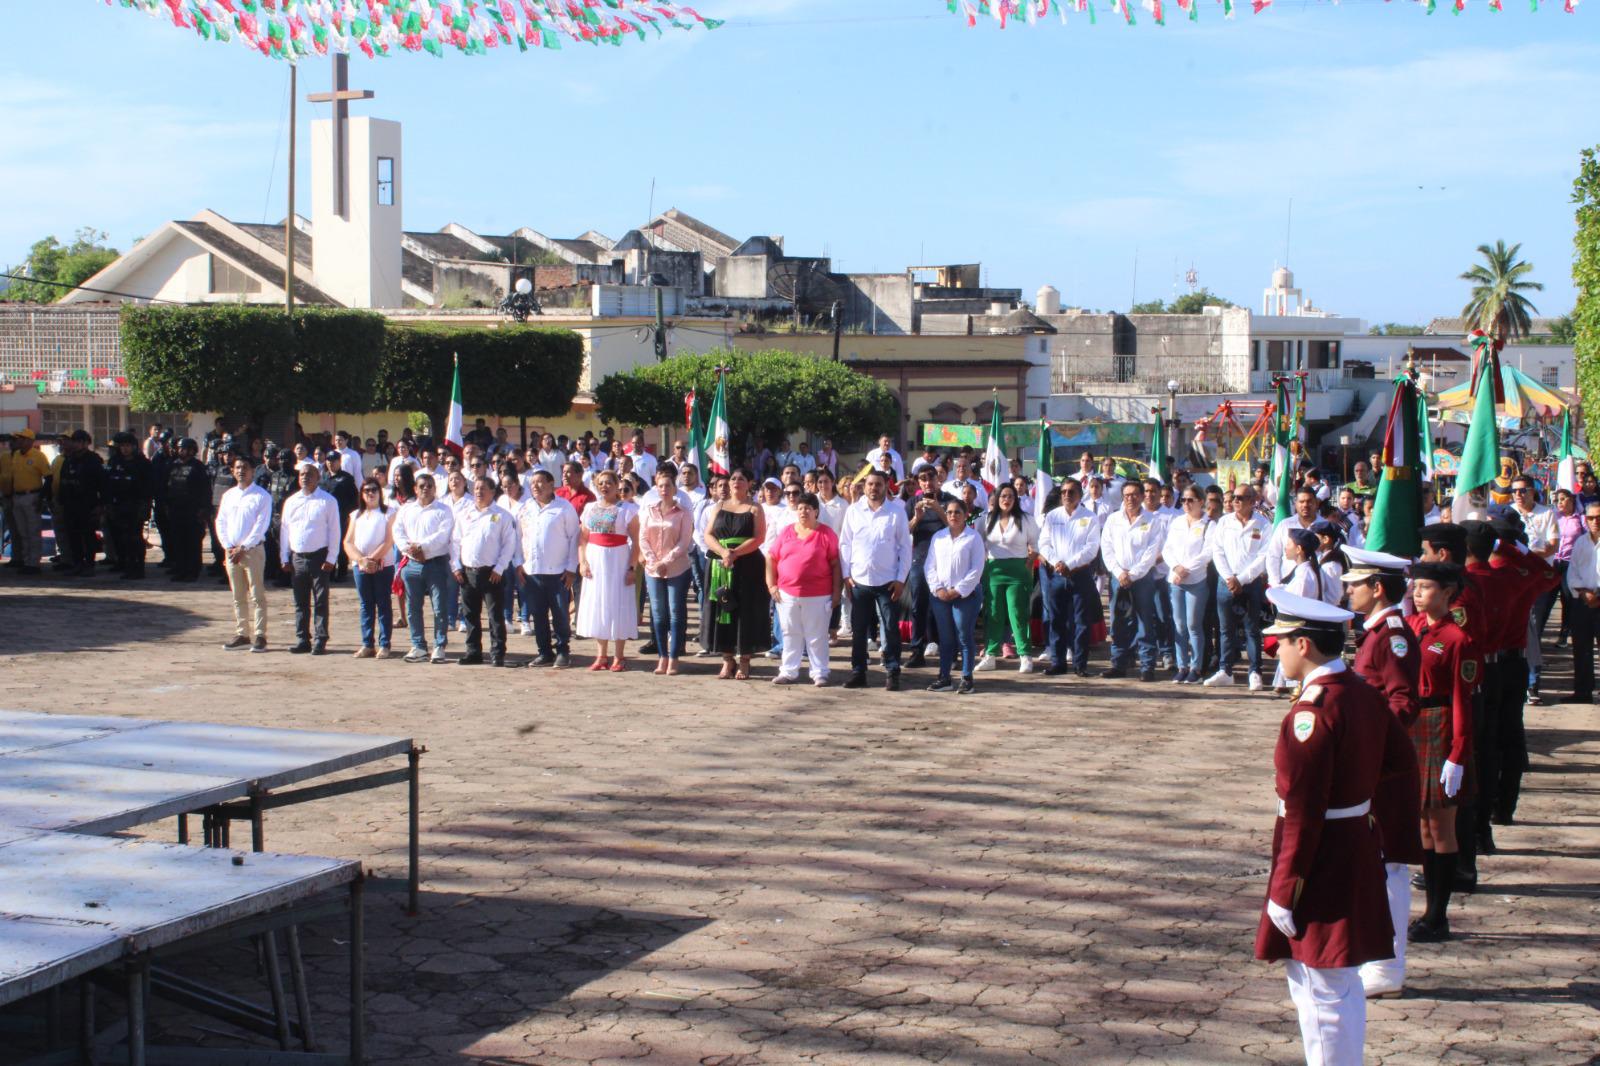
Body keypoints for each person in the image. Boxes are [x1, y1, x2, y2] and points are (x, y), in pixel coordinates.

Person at [1255, 588, 1413, 1066]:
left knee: (1320, 982)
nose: (1275, 650)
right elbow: (1399, 759)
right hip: (1354, 839)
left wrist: (1284, 888)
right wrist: (1355, 792)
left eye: (1281, 641)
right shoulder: (1360, 692)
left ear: (1304, 645)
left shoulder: (1313, 712)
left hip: (1320, 857)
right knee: (1335, 981)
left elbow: (1302, 810)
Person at [1340, 547, 1424, 999]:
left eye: (1355, 584)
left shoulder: (1392, 633)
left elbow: (1402, 700)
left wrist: (1372, 749)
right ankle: (1377, 956)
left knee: (1390, 866)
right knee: (1375, 863)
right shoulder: (1375, 631)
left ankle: (1389, 965)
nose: (1347, 590)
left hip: (1384, 770)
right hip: (1373, 764)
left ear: (1376, 589)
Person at [1405, 562, 1479, 945]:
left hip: (1440, 726)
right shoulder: (1413, 628)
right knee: (1422, 825)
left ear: (1448, 592)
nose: (1418, 594)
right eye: (1415, 587)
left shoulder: (1457, 639)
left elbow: (1462, 700)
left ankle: (1438, 915)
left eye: (1426, 588)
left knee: (1442, 826)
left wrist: (1458, 752)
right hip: (1414, 724)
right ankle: (1428, 911)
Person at [839, 469, 913, 691]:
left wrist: (901, 579)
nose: (873, 488)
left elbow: (905, 547)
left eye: (878, 484)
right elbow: (845, 544)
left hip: (887, 581)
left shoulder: (896, 512)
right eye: (870, 484)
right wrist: (845, 575)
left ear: (886, 486)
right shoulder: (853, 511)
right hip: (859, 581)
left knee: (890, 628)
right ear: (864, 486)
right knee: (859, 629)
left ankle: (892, 671)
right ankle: (858, 672)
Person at [766, 491, 842, 686]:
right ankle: (789, 671)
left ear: (816, 511)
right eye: (800, 508)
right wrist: (771, 584)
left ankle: (819, 672)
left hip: (818, 594)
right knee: (790, 633)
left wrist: (836, 593)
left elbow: (835, 564)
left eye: (807, 508)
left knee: (816, 635)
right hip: (787, 593)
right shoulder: (787, 532)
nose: (803, 512)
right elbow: (772, 557)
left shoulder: (826, 534)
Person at [704, 469, 771, 680]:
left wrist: (735, 553)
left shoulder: (755, 507)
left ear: (749, 483)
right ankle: (727, 659)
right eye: (733, 478)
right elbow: (708, 534)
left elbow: (759, 537)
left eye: (741, 479)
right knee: (722, 609)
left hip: (748, 565)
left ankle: (744, 660)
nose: (736, 482)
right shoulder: (719, 506)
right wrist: (723, 552)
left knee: (746, 612)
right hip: (720, 564)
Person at [1206, 485, 1271, 691]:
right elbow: (1217, 551)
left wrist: (1241, 579)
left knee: (1252, 629)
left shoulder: (1263, 523)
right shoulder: (1224, 522)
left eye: (1241, 498)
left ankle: (1255, 671)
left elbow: (1264, 555)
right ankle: (1226, 670)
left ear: (1253, 500)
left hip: (1250, 584)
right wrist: (1228, 577)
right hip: (1226, 582)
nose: (1236, 501)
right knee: (1225, 629)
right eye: (1234, 497)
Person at [575, 470, 641, 671]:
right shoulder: (589, 508)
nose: (605, 486)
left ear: (616, 485)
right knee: (598, 604)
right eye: (601, 483)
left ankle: (618, 656)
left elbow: (636, 542)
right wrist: (583, 562)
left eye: (609, 483)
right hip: (595, 561)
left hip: (618, 560)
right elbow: (583, 538)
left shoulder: (627, 510)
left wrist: (632, 567)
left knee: (617, 603)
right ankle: (601, 655)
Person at [1037, 477, 1102, 677]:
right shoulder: (1052, 516)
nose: (1066, 495)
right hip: (1056, 575)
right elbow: (1044, 543)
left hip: (1080, 574)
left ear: (1079, 495)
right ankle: (1057, 662)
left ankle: (1080, 664)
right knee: (1056, 619)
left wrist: (1070, 565)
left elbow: (1091, 548)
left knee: (1081, 621)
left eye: (1071, 492)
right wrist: (1057, 562)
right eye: (1064, 491)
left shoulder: (1090, 518)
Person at [1099, 481, 1162, 681]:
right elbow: (1107, 549)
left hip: (1142, 578)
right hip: (1118, 578)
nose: (1130, 499)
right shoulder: (1113, 520)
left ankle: (1147, 666)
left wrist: (1132, 574)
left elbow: (1151, 553)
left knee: (1145, 622)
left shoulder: (1152, 520)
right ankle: (1118, 663)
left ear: (1142, 496)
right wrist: (1119, 573)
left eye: (1135, 494)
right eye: (1126, 495)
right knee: (1118, 622)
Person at [452, 476, 518, 667]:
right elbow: (455, 541)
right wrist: (456, 566)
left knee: (495, 616)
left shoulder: (502, 515)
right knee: (470, 614)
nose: (479, 492)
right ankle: (473, 652)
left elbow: (509, 544)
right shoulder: (464, 513)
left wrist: (499, 568)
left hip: (492, 573)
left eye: (483, 488)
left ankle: (497, 653)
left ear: (492, 491)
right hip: (467, 572)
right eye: (476, 488)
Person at [518, 469, 580, 668]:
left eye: (540, 482)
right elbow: (519, 537)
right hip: (532, 571)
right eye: (533, 483)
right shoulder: (526, 507)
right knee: (538, 614)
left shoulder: (564, 508)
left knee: (560, 614)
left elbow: (574, 538)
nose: (535, 486)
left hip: (558, 573)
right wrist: (519, 563)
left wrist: (571, 568)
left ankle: (563, 650)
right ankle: (544, 652)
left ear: (551, 484)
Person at [393, 472, 456, 664]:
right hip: (411, 564)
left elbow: (443, 535)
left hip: (436, 563)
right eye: (422, 486)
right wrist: (410, 549)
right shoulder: (406, 510)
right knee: (413, 608)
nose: (425, 489)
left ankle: (439, 645)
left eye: (429, 485)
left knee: (439, 607)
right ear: (415, 489)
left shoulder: (443, 510)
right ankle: (418, 645)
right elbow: (397, 531)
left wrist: (422, 546)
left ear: (435, 489)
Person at [278, 460, 341, 655]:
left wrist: (332, 557)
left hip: (319, 557)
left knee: (321, 600)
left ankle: (321, 639)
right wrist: (284, 556)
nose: (305, 477)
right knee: (300, 601)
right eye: (302, 474)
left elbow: (335, 531)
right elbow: (285, 530)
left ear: (318, 478)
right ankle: (302, 638)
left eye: (310, 474)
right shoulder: (291, 501)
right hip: (297, 557)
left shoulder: (328, 501)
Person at [976, 483, 1039, 673]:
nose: (1006, 500)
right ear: (996, 498)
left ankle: (1025, 655)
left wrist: (1026, 566)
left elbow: (1035, 546)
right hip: (994, 570)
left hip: (1018, 571)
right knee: (994, 613)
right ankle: (991, 655)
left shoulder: (1026, 519)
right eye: (1003, 496)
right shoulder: (985, 519)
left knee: (1017, 613)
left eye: (1010, 496)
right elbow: (979, 546)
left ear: (1015, 499)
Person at [924, 498, 985, 694]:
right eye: (949, 512)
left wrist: (957, 590)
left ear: (965, 514)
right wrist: (938, 589)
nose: (953, 516)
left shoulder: (973, 538)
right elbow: (929, 566)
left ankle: (967, 677)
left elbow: (976, 569)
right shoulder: (938, 537)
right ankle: (944, 677)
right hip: (940, 595)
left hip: (965, 595)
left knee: (964, 636)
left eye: (957, 512)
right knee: (946, 638)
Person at [640, 468, 695, 675]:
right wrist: (654, 561)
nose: (664, 489)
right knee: (658, 614)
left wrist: (666, 560)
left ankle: (674, 657)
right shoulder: (649, 510)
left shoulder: (683, 512)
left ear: (675, 488)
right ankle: (662, 656)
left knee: (675, 613)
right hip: (653, 569)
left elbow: (684, 541)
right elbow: (643, 538)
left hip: (677, 569)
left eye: (668, 486)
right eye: (661, 485)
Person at [215, 455, 273, 653]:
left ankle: (260, 635)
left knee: (257, 595)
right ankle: (242, 633)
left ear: (252, 471)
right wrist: (228, 545)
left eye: (245, 468)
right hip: (231, 552)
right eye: (237, 468)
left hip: (252, 551)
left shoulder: (262, 496)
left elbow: (260, 526)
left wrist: (244, 547)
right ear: (233, 471)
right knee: (238, 595)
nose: (241, 471)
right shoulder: (228, 495)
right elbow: (220, 522)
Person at [1163, 484, 1214, 684]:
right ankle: (1182, 665)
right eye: (1183, 500)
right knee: (1179, 625)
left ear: (1201, 501)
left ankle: (1196, 666)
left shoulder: (1209, 524)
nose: (1186, 503)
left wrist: (1186, 569)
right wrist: (1176, 567)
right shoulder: (1177, 522)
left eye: (1190, 500)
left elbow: (1207, 552)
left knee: (1194, 624)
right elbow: (1168, 548)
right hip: (1175, 579)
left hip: (1196, 580)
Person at [344, 477, 396, 660]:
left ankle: (384, 644)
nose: (371, 493)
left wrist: (372, 559)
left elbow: (389, 540)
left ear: (380, 492)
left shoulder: (389, 512)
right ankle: (367, 643)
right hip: (361, 567)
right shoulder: (355, 515)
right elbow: (348, 541)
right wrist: (361, 560)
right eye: (367, 490)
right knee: (366, 605)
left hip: (383, 565)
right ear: (362, 493)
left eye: (374, 489)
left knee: (383, 604)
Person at [55, 430, 107, 576]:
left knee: (88, 536)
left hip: (87, 504)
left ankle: (89, 564)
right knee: (73, 536)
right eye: (75, 441)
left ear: (86, 443)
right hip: (70, 504)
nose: (76, 444)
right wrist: (61, 500)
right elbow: (63, 482)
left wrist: (101, 504)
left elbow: (102, 484)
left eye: (79, 441)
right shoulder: (69, 459)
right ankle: (78, 563)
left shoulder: (93, 460)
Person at [105, 432, 153, 580]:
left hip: (136, 504)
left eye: (128, 446)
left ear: (134, 447)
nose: (125, 449)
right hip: (118, 504)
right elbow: (107, 484)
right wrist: (108, 503)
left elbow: (149, 487)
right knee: (120, 537)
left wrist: (145, 506)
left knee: (134, 538)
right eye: (122, 446)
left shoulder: (142, 463)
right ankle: (125, 564)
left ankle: (138, 567)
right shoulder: (114, 462)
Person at [162, 437, 211, 583]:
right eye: (179, 448)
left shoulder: (198, 467)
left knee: (193, 542)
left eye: (184, 448)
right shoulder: (173, 465)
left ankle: (192, 570)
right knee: (178, 541)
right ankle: (180, 568)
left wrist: (203, 509)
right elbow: (166, 486)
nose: (180, 451)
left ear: (191, 450)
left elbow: (205, 490)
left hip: (193, 511)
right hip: (176, 509)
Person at [1565, 501, 1600, 703]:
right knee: (1581, 648)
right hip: (1583, 601)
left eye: (1598, 517)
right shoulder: (1580, 542)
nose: (1595, 521)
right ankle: (1582, 691)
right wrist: (1584, 592)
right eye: (1591, 518)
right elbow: (1573, 572)